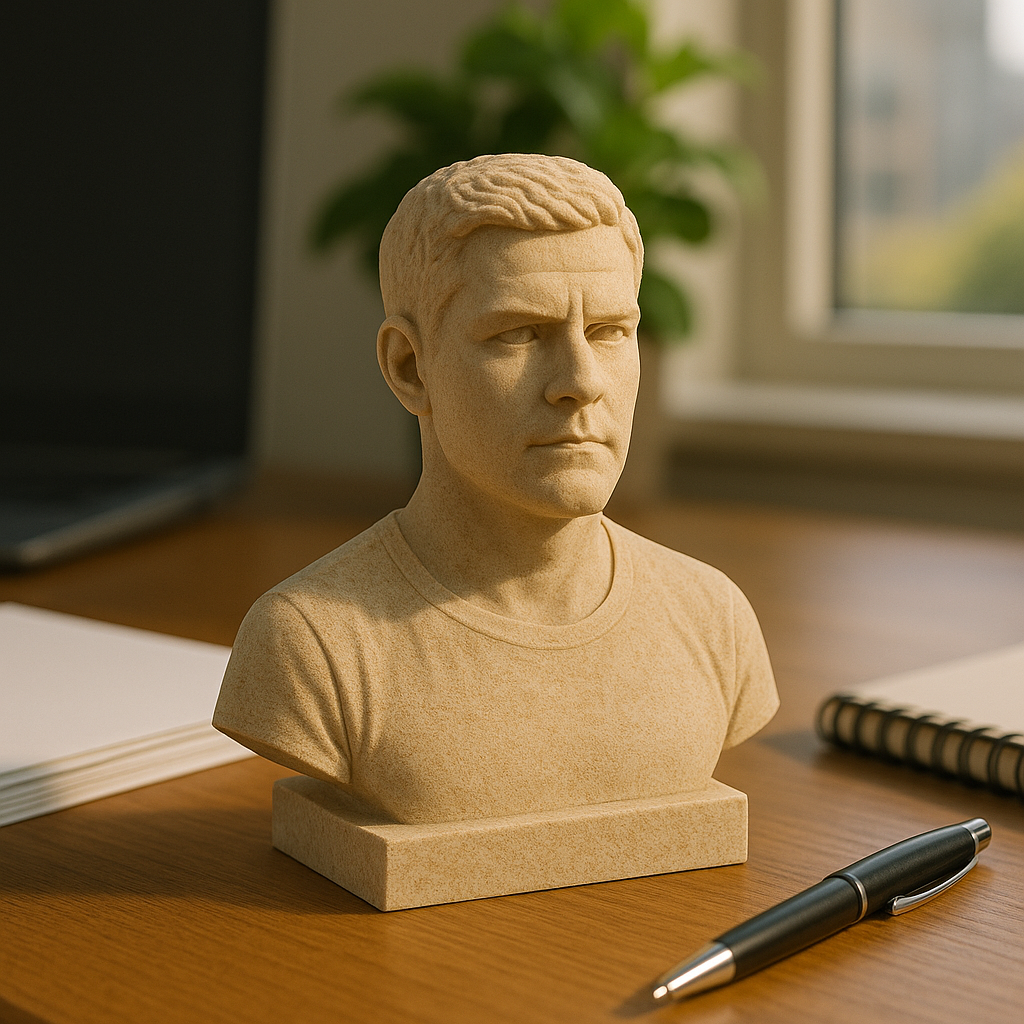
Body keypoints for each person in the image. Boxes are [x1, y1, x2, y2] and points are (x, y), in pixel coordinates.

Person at [213, 153, 778, 826]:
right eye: (519, 334)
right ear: (409, 367)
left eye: (608, 332)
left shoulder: (714, 619)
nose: (581, 381)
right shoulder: (313, 645)